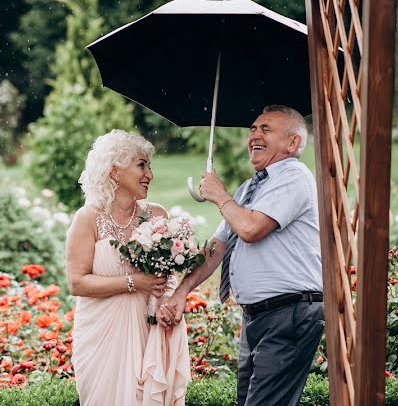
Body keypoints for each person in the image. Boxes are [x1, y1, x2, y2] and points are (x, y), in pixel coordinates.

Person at [158, 105, 323, 406]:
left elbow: (250, 228)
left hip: (289, 312)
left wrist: (221, 196)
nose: (255, 136)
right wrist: (182, 291)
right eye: (253, 129)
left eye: (266, 129)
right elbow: (218, 246)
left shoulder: (293, 176)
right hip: (257, 316)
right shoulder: (251, 187)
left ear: (293, 143)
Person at [67, 129, 190, 406]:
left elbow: (166, 277)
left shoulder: (157, 216)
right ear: (115, 172)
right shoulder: (87, 218)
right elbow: (77, 283)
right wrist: (134, 283)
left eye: (150, 165)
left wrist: (168, 303)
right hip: (101, 337)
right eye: (141, 165)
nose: (150, 174)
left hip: (149, 332)